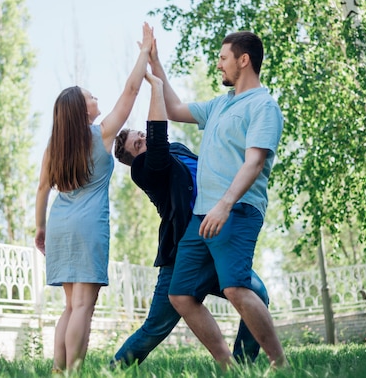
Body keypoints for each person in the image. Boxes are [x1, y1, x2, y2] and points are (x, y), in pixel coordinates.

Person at [112, 69, 271, 366]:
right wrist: (156, 89)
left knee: (257, 295)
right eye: (138, 143)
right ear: (134, 157)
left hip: (213, 236)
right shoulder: (144, 169)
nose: (143, 139)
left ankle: (243, 367)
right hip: (182, 253)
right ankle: (113, 370)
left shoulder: (177, 151)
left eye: (141, 135)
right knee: (155, 328)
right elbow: (158, 141)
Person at [149, 31, 288, 369]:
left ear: (244, 60)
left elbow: (254, 162)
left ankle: (280, 364)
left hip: (236, 211)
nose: (218, 64)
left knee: (236, 289)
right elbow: (174, 108)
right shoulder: (219, 104)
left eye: (223, 57)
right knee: (180, 293)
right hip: (202, 216)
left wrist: (225, 204)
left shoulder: (263, 106)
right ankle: (229, 366)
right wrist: (154, 63)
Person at [34, 23, 154, 372]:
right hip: (88, 226)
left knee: (71, 306)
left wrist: (40, 229)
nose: (97, 99)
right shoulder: (101, 135)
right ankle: (74, 372)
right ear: (82, 110)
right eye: (91, 96)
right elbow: (131, 91)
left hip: (59, 223)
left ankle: (59, 371)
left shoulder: (54, 147)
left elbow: (42, 189)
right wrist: (144, 52)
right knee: (84, 306)